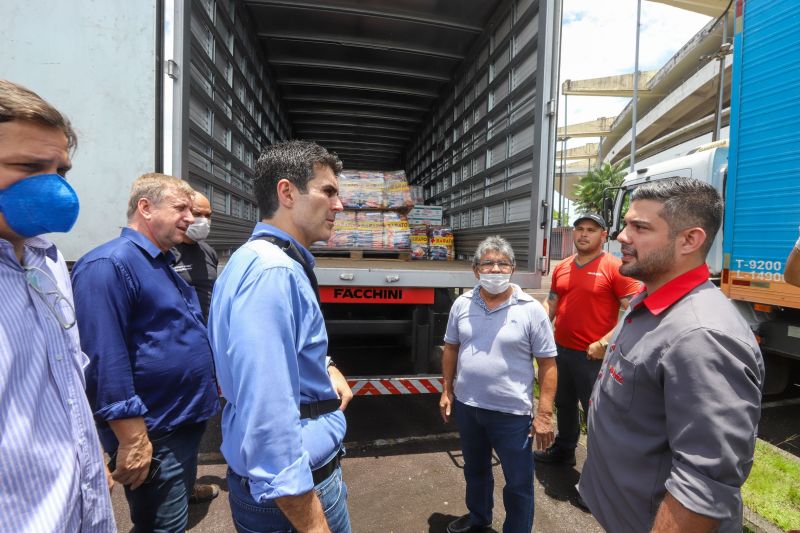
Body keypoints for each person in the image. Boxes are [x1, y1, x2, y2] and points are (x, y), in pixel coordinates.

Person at [579, 177, 764, 532]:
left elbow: (703, 485)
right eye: (626, 224)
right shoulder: (649, 298)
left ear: (690, 240)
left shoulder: (702, 335)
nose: (621, 236)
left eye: (639, 227)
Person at [209, 140, 354, 533]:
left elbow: (276, 351)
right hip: (294, 498)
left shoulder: (256, 260)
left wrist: (325, 365)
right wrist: (311, 523)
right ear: (286, 192)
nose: (338, 206)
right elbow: (267, 411)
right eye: (328, 191)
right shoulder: (274, 273)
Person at [72, 173, 220, 532]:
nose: (191, 218)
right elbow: (105, 356)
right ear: (145, 207)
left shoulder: (160, 260)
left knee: (172, 514)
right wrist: (133, 438)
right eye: (180, 208)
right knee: (161, 525)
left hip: (180, 420)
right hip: (154, 430)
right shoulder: (109, 265)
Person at [0, 79, 116, 532]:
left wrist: (89, 461)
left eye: (61, 172)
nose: (53, 188)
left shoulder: (47, 262)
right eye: (28, 166)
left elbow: (65, 378)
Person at [439, 235, 558, 533]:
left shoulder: (531, 309)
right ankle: (479, 518)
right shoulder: (462, 304)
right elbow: (451, 347)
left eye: (502, 264)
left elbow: (548, 364)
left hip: (512, 414)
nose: (495, 270)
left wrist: (544, 413)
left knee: (518, 483)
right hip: (469, 407)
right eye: (488, 263)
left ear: (513, 269)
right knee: (475, 471)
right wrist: (447, 390)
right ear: (476, 270)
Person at [534, 214, 639, 468]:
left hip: (593, 358)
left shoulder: (615, 267)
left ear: (603, 235)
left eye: (591, 230)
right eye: (579, 229)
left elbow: (636, 310)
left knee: (597, 416)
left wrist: (604, 343)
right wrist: (536, 331)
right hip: (561, 352)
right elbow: (552, 303)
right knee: (564, 404)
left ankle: (597, 476)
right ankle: (564, 450)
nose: (583, 234)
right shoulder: (563, 266)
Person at [172, 191, 217, 322]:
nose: (204, 220)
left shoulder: (209, 252)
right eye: (197, 214)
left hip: (208, 333)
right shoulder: (167, 252)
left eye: (208, 215)